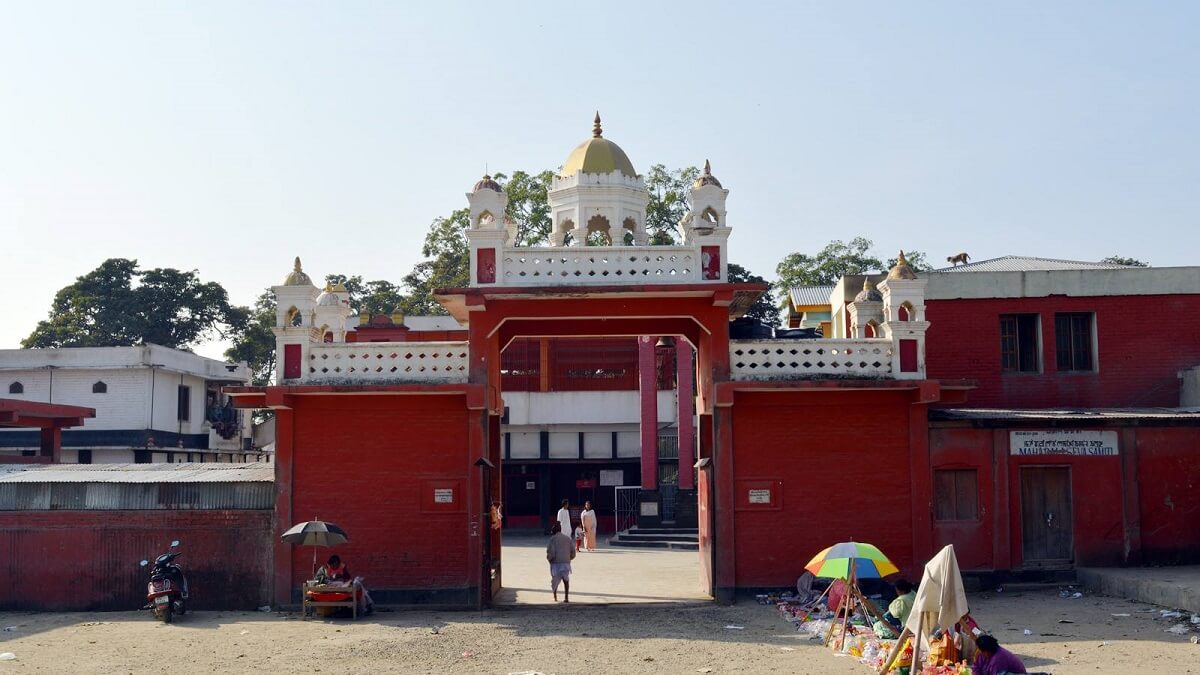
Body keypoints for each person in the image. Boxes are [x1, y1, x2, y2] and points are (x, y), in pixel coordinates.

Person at [546, 522, 576, 602]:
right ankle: (566, 597)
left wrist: (549, 559)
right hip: (566, 563)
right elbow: (573, 551)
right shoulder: (567, 538)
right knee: (566, 580)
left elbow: (551, 552)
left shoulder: (552, 539)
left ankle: (555, 596)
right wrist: (569, 558)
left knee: (555, 581)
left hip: (556, 563)